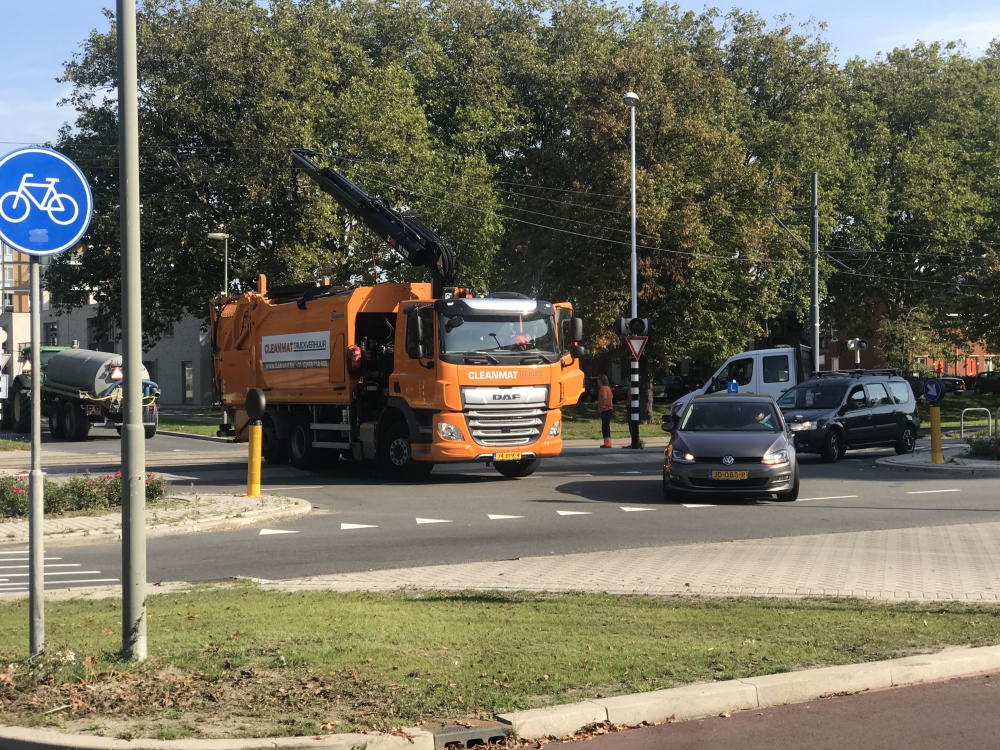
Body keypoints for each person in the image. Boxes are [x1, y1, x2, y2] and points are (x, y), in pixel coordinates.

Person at [597, 374, 615, 448]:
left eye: (598, 380)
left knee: (605, 427)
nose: (597, 381)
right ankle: (607, 442)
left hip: (605, 409)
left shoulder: (603, 388)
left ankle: (607, 443)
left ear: (601, 380)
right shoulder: (608, 388)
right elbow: (612, 396)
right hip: (610, 408)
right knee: (606, 425)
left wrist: (602, 406)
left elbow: (604, 397)